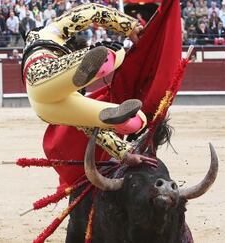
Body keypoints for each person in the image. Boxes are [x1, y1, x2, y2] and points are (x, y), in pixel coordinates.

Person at [22, 3, 154, 165]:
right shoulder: (47, 33)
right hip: (42, 75)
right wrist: (130, 26)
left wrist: (124, 154)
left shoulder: (45, 40)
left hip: (46, 109)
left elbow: (89, 125)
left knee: (128, 118)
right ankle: (107, 59)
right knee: (116, 49)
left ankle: (128, 122)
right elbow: (93, 11)